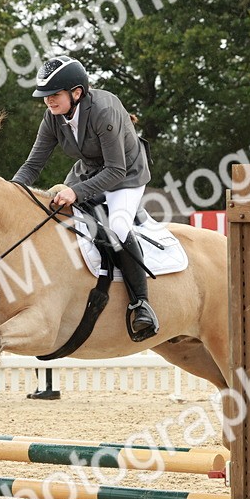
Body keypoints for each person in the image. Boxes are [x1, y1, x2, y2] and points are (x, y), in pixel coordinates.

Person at [10, 55, 158, 341]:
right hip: (89, 171)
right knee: (54, 215)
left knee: (116, 227)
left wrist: (76, 191)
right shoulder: (53, 117)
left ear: (76, 93)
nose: (48, 102)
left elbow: (116, 169)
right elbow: (33, 165)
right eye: (45, 97)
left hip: (125, 176)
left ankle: (141, 304)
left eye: (54, 95)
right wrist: (11, 192)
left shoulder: (103, 112)